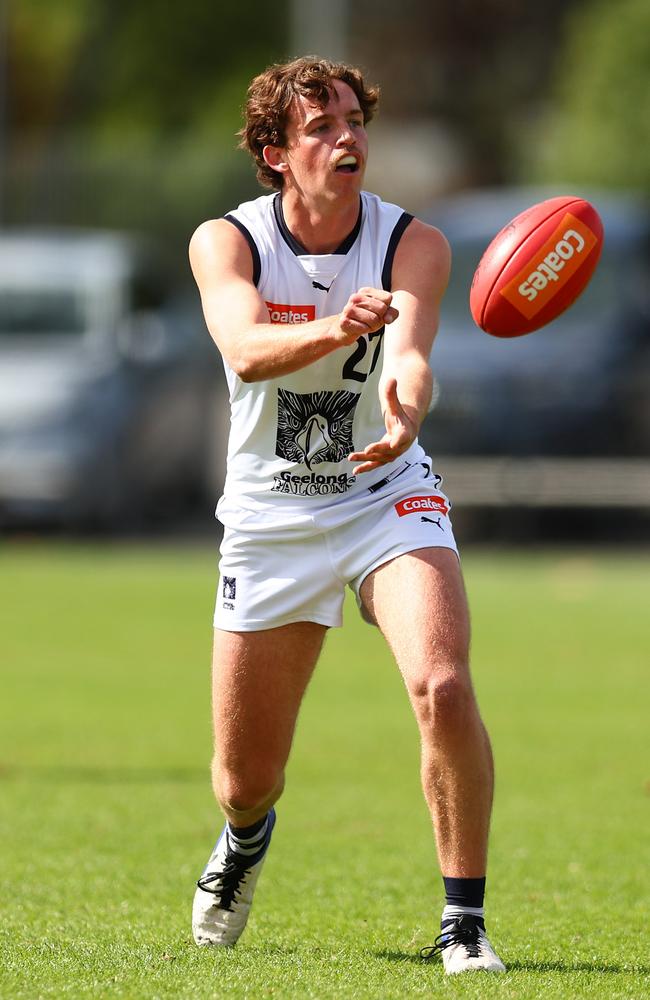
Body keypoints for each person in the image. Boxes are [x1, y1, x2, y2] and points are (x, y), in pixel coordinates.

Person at [188, 55, 505, 976]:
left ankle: (464, 922)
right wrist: (336, 327)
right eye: (321, 126)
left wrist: (408, 407)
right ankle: (246, 841)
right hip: (270, 515)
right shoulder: (228, 242)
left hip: (383, 493)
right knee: (244, 781)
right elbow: (245, 351)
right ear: (276, 152)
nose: (347, 137)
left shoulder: (414, 242)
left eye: (354, 121)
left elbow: (409, 353)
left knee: (443, 685)